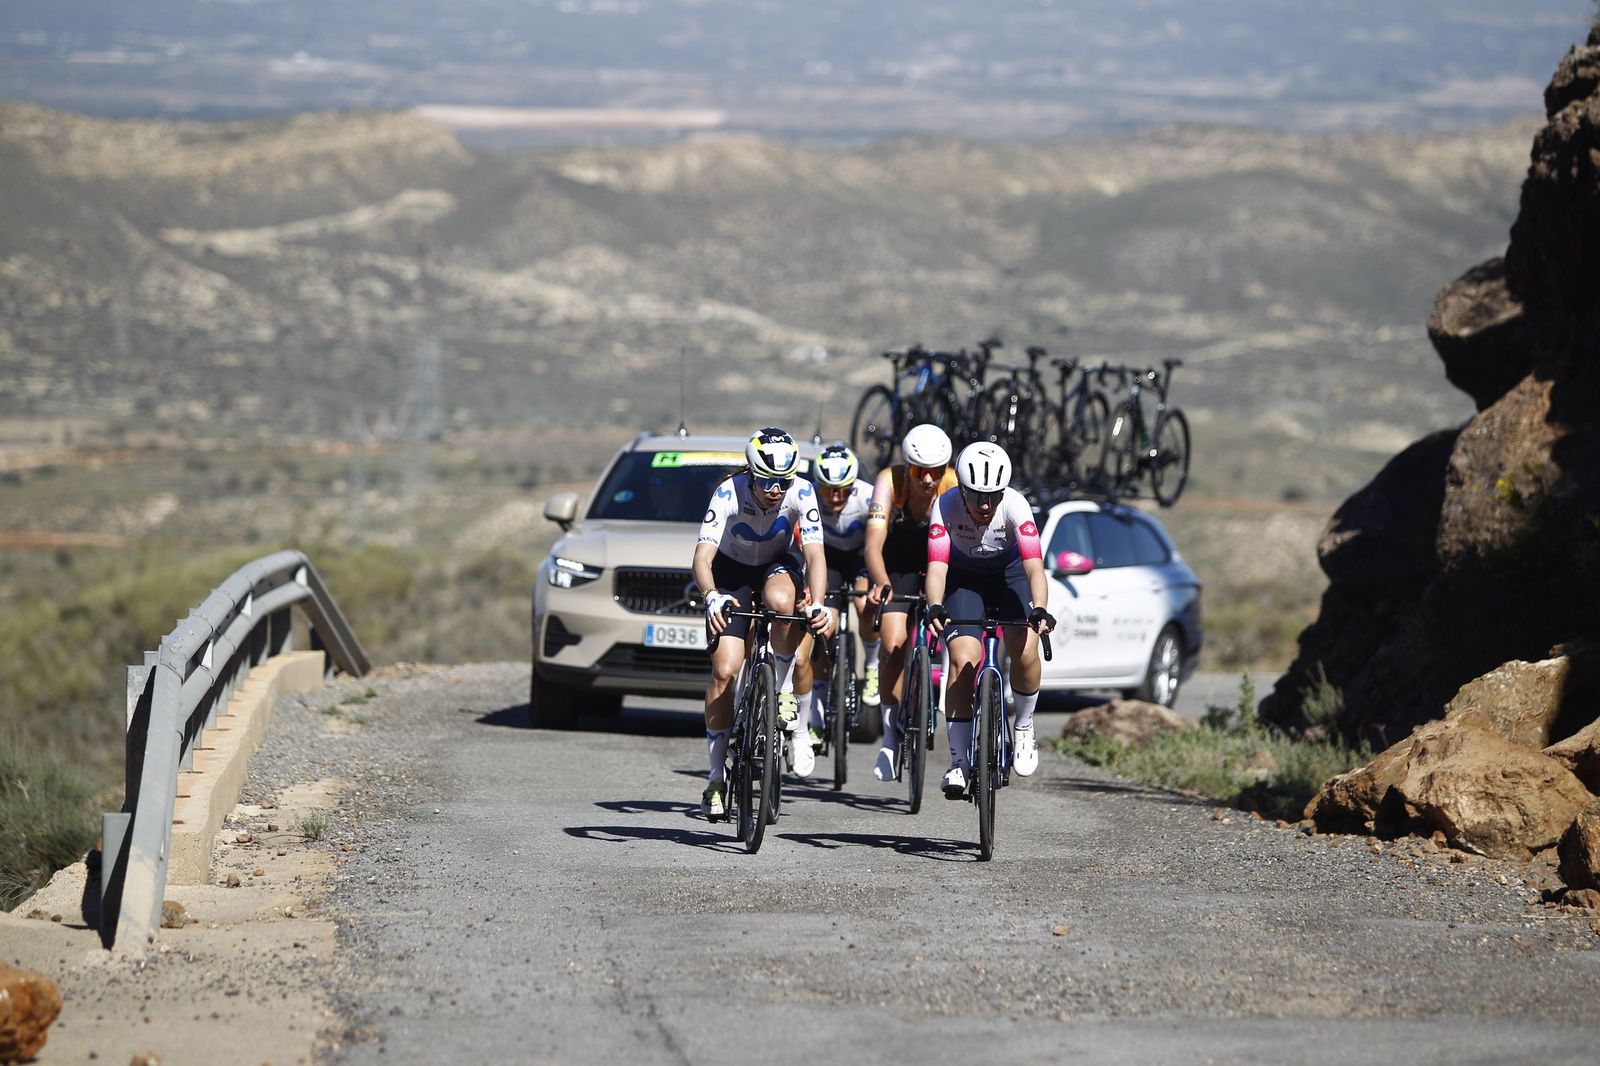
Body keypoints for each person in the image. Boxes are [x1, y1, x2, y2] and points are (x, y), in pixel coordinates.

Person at [692, 428, 836, 821]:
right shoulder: (728, 492)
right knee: (724, 672)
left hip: (776, 567)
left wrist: (819, 602)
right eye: (768, 481)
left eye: (783, 481)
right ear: (752, 473)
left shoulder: (801, 492)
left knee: (783, 602)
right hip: (730, 573)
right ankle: (716, 778)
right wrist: (711, 597)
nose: (776, 490)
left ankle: (784, 687)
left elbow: (815, 555)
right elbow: (702, 558)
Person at [923, 440, 1057, 798]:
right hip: (964, 579)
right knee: (963, 658)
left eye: (993, 496)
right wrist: (935, 604)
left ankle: (1025, 724)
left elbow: (1033, 565)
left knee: (1024, 646)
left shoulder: (1015, 505)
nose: (985, 505)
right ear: (961, 488)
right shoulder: (946, 505)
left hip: (1009, 575)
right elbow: (937, 565)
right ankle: (959, 762)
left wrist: (1039, 608)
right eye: (977, 496)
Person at [863, 423, 959, 783]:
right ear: (909, 466)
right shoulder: (890, 480)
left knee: (955, 626)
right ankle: (890, 736)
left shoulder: (953, 483)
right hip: (899, 562)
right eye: (921, 471)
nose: (930, 480)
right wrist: (882, 582)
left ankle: (943, 700)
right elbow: (874, 544)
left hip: (941, 560)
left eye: (936, 471)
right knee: (892, 644)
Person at [790, 442, 877, 755]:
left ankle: (872, 663)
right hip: (828, 559)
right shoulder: (809, 495)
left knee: (865, 605)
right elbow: (799, 541)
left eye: (842, 490)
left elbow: (882, 540)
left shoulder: (867, 496)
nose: (836, 497)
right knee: (823, 628)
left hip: (860, 556)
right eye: (829, 491)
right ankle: (814, 717)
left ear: (853, 485)